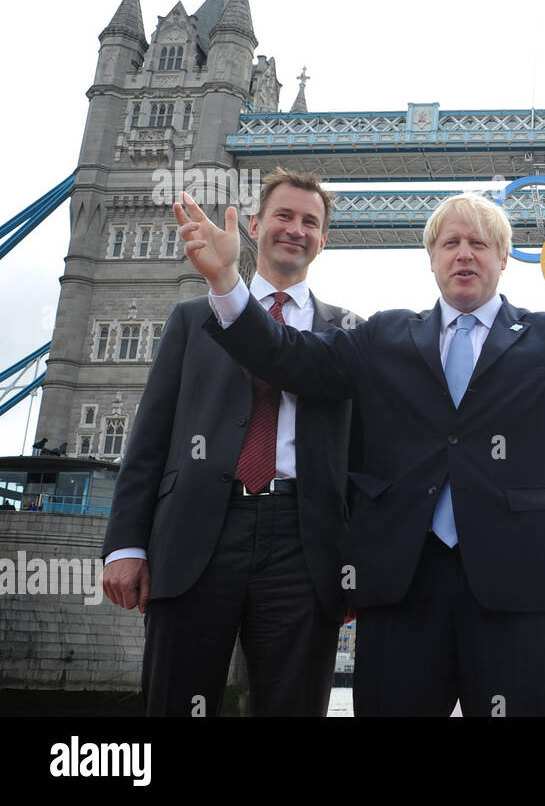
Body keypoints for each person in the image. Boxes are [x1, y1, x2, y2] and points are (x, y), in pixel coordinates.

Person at [176, 190, 545, 716]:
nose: (464, 254)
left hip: (514, 585)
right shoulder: (381, 334)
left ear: (504, 258)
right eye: (450, 243)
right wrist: (225, 283)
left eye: (479, 243)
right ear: (430, 258)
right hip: (401, 584)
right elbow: (289, 358)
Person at [101, 169, 359, 716]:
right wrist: (126, 544)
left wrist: (358, 564)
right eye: (283, 216)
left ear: (325, 239)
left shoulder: (349, 333)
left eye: (310, 222)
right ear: (255, 225)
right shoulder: (191, 319)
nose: (295, 229)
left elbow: (362, 460)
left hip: (303, 541)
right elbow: (149, 437)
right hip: (197, 531)